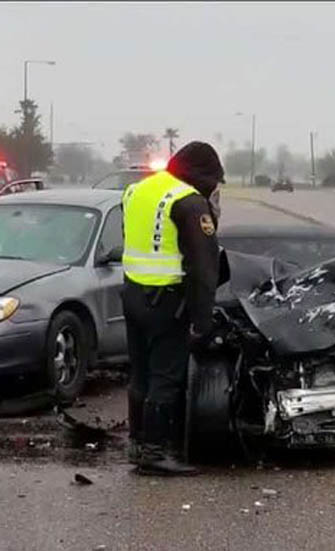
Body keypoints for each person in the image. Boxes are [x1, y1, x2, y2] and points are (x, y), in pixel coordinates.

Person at [121, 141, 223, 476]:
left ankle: (137, 443)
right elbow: (203, 269)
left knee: (141, 374)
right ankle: (156, 452)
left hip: (133, 294)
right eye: (214, 181)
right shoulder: (189, 202)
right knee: (167, 376)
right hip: (167, 301)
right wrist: (202, 321)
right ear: (203, 175)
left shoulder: (137, 191)